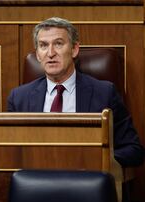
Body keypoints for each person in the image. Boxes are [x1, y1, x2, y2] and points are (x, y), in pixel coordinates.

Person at [8, 17, 144, 168]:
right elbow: (10, 154)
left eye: (58, 44)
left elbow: (133, 150)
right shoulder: (19, 98)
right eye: (43, 45)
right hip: (36, 182)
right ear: (38, 54)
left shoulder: (104, 93)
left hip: (85, 180)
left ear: (74, 49)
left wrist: (95, 160)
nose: (51, 53)